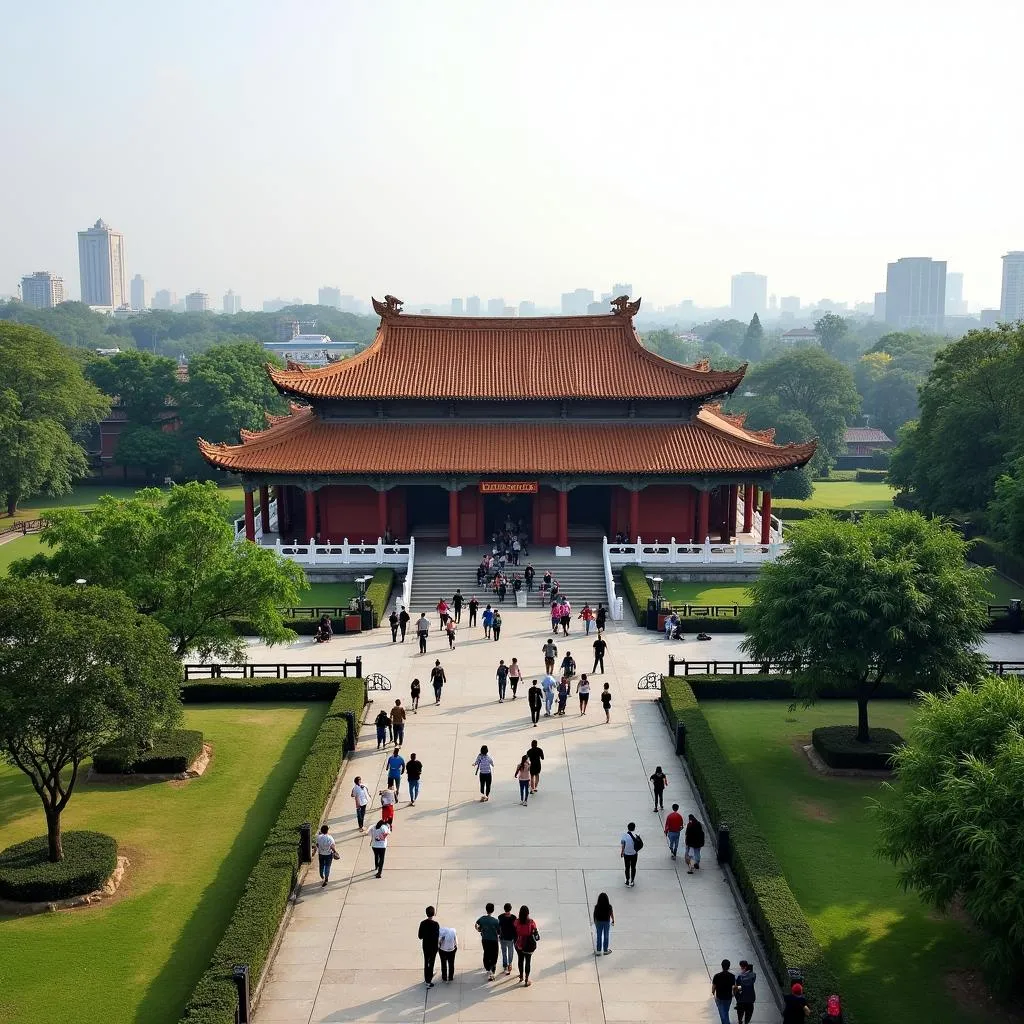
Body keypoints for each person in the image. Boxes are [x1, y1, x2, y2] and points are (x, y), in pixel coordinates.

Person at [513, 905, 539, 985]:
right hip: (528, 944)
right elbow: (535, 931)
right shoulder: (531, 922)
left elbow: (514, 929)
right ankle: (527, 980)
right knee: (528, 961)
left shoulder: (517, 921)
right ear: (528, 913)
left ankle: (521, 976)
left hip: (519, 944)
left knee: (520, 960)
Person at [475, 902, 501, 980]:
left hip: (485, 940)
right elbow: (499, 931)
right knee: (494, 955)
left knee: (486, 953)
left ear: (486, 910)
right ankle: (492, 970)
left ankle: (487, 968)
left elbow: (476, 925)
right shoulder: (496, 921)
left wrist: (479, 930)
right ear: (493, 910)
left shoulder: (482, 919)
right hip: (493, 940)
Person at [419, 906, 440, 988]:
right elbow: (437, 936)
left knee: (426, 961)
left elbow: (420, 936)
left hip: (425, 946)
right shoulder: (436, 924)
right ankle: (428, 981)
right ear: (433, 913)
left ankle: (426, 977)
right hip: (433, 947)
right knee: (431, 963)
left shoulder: (422, 923)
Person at [711, 959, 736, 1024]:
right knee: (725, 1012)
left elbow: (714, 986)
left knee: (722, 1014)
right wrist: (733, 993)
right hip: (728, 998)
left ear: (722, 966)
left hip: (720, 997)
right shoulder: (732, 976)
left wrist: (713, 992)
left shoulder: (717, 976)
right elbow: (734, 987)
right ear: (729, 967)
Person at [733, 960, 757, 1024]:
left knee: (740, 1013)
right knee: (749, 1013)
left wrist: (737, 997)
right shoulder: (753, 975)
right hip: (750, 998)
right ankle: (746, 1022)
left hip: (741, 999)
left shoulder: (739, 977)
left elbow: (738, 988)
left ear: (743, 967)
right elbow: (752, 979)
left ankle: (740, 1021)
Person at [498, 903, 518, 975]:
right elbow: (516, 928)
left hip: (503, 938)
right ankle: (510, 964)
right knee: (510, 951)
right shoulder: (514, 918)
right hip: (510, 938)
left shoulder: (500, 917)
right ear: (510, 908)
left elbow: (499, 928)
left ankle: (505, 965)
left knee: (504, 952)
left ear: (504, 909)